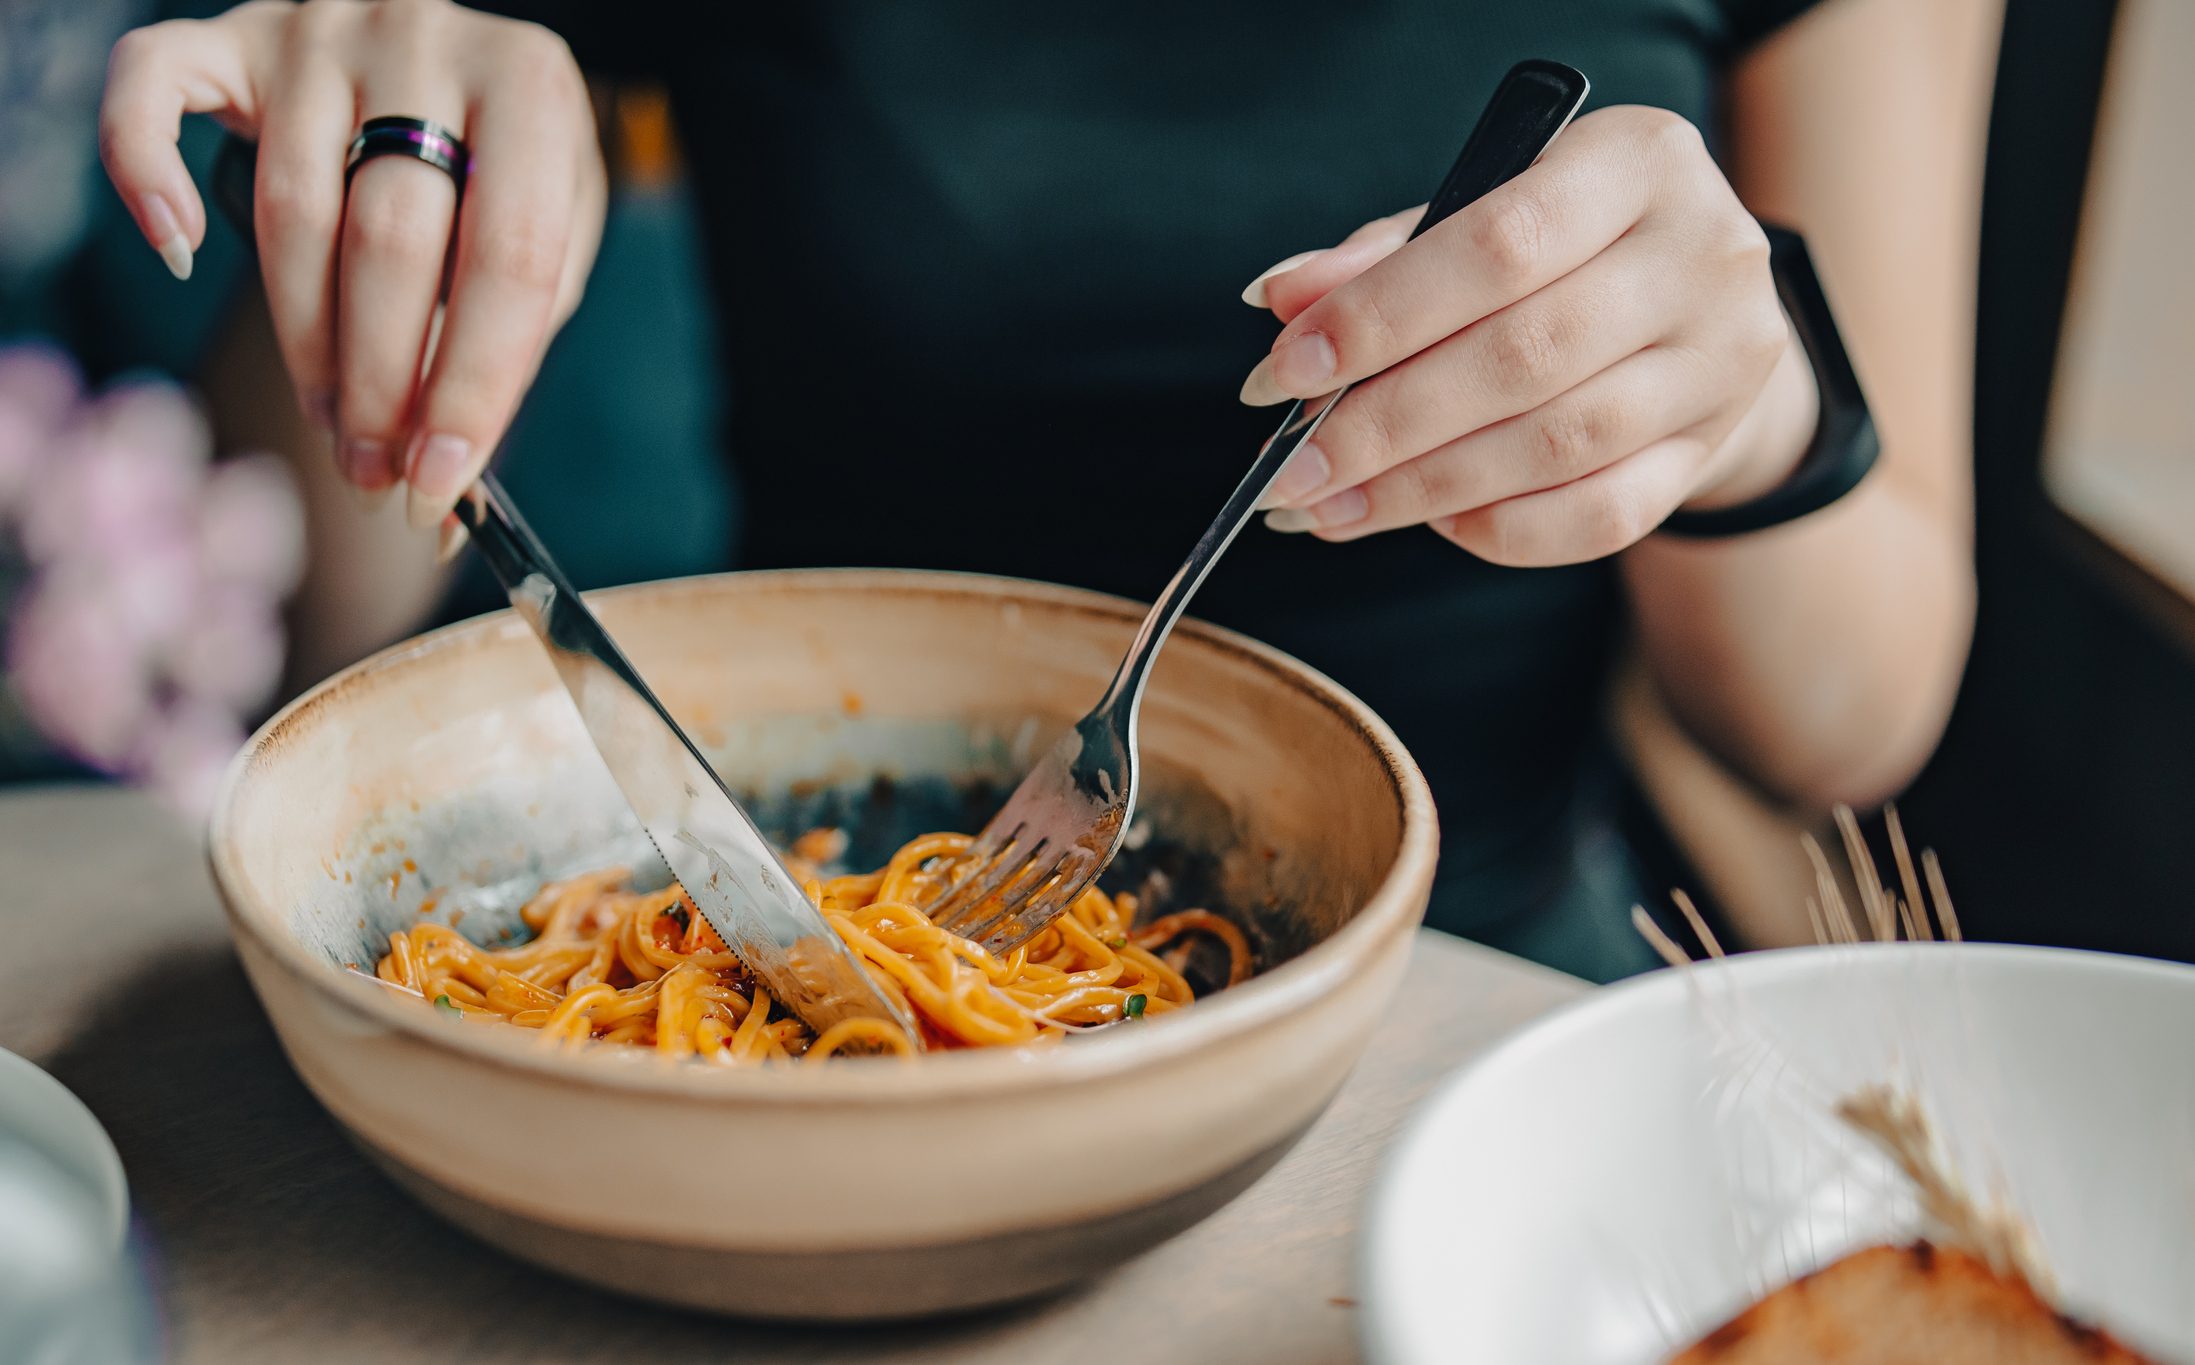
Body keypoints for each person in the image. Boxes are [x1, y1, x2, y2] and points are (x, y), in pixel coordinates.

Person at [93, 0, 1997, 980]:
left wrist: (1745, 414)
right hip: (766, 908)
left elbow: (1860, 714)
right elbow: (286, 616)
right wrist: (361, 208)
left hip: (1486, 986)